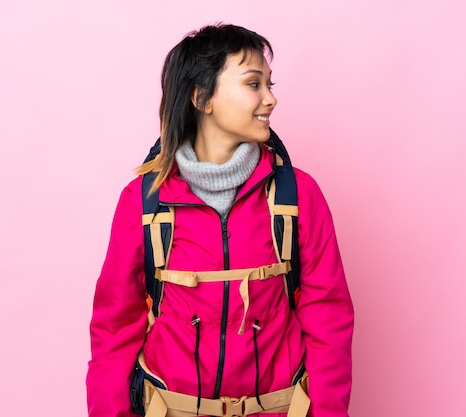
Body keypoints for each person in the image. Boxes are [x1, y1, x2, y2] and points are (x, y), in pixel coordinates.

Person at [86, 23, 354, 417]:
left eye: (270, 84)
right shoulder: (143, 202)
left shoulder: (298, 196)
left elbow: (328, 319)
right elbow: (113, 330)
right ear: (202, 98)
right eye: (253, 84)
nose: (271, 99)